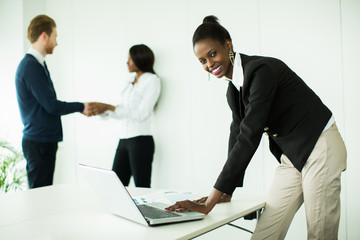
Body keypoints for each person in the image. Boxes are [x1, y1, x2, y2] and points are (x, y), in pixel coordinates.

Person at [166, 15, 347, 240]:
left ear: (228, 45)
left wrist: (210, 202)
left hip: (320, 147)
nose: (209, 64)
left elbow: (250, 135)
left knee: (320, 235)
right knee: (265, 233)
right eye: (202, 60)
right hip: (294, 156)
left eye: (212, 54)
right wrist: (226, 191)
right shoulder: (233, 90)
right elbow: (237, 134)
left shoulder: (261, 71)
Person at [15, 15, 94, 189]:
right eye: (55, 36)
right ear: (44, 36)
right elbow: (51, 105)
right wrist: (81, 107)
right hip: (39, 143)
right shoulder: (31, 66)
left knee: (43, 192)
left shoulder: (37, 64)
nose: (56, 42)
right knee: (39, 196)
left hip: (43, 141)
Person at [91, 44, 161, 188]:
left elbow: (142, 114)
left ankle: (144, 211)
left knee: (142, 187)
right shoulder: (128, 82)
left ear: (140, 58)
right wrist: (103, 110)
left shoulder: (152, 80)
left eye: (130, 58)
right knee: (116, 186)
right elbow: (121, 111)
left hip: (141, 140)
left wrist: (110, 107)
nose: (127, 62)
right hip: (124, 140)